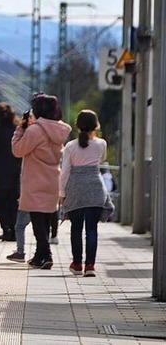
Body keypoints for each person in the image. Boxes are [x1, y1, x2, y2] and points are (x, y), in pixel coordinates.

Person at [12, 94, 71, 269]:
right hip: (52, 178)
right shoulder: (59, 130)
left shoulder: (34, 130)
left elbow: (17, 150)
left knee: (37, 219)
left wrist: (20, 129)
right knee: (45, 218)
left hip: (35, 180)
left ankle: (46, 254)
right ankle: (39, 255)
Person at [59, 110, 114, 277]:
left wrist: (62, 192)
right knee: (92, 230)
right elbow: (102, 160)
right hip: (96, 188)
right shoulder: (101, 144)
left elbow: (65, 171)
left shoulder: (70, 146)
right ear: (96, 125)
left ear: (77, 125)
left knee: (76, 229)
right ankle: (90, 266)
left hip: (76, 189)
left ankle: (77, 264)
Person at [0, 103, 22, 242]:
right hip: (16, 173)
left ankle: (6, 229)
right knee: (14, 204)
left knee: (0, 204)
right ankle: (14, 230)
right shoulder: (17, 130)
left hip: (0, 174)